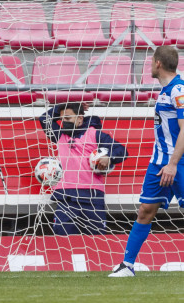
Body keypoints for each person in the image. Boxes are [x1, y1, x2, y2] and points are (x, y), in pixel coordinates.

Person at [110, 46, 184, 277]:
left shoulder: (179, 90)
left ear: (158, 63)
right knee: (145, 210)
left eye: (151, 62)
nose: (149, 66)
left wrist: (172, 163)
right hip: (158, 163)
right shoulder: (164, 92)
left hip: (178, 164)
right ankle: (127, 266)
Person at [39, 103, 128, 235]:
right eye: (62, 119)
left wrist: (109, 157)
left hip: (92, 196)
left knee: (97, 241)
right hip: (66, 197)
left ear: (80, 119)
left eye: (68, 119)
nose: (64, 122)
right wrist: (67, 104)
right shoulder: (59, 135)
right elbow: (44, 119)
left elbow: (122, 150)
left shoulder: (95, 134)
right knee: (62, 239)